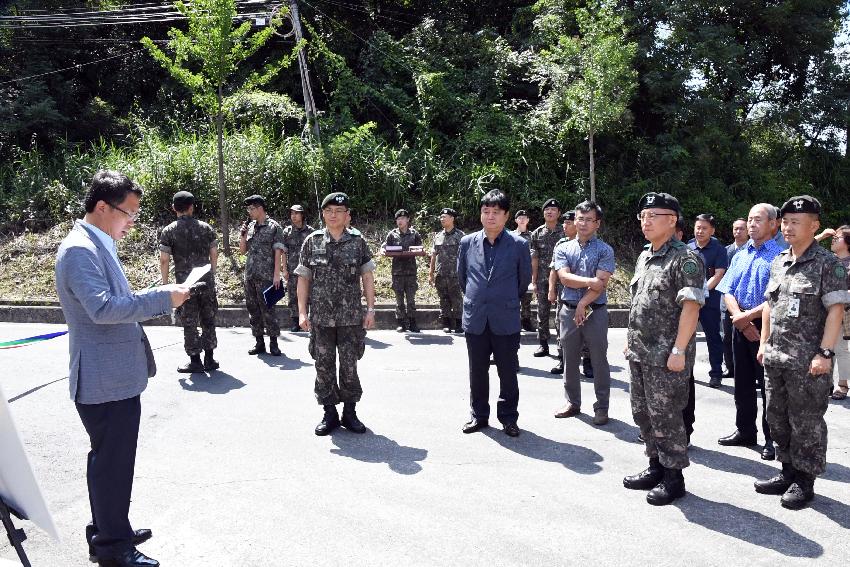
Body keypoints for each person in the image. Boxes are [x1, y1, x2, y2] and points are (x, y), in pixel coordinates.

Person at [55, 170, 190, 567]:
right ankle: (113, 547)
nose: (133, 221)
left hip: (114, 377)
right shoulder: (80, 250)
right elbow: (103, 309)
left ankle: (110, 528)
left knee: (111, 461)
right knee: (111, 464)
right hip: (103, 381)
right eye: (128, 213)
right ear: (102, 207)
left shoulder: (99, 244)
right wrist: (163, 297)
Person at [754, 195, 849, 509]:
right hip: (777, 357)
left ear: (815, 226)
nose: (788, 227)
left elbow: (835, 312)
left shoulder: (828, 264)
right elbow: (770, 305)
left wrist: (824, 353)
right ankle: (787, 471)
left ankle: (805, 481)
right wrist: (764, 343)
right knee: (776, 418)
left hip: (808, 362)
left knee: (806, 422)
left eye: (796, 222)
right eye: (785, 222)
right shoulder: (779, 260)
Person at [623, 192, 704, 506]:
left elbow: (691, 307)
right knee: (642, 413)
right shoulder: (645, 255)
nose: (646, 221)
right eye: (643, 216)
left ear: (671, 220)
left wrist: (679, 351)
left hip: (667, 355)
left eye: (653, 215)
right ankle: (655, 465)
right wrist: (631, 343)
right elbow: (640, 305)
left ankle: (674, 478)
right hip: (640, 352)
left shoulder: (685, 258)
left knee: (667, 416)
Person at [296, 192, 377, 436]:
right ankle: (329, 413)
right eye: (329, 210)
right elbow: (303, 279)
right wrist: (302, 312)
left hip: (351, 317)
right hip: (320, 318)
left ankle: (350, 412)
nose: (334, 215)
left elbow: (367, 277)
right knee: (323, 365)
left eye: (339, 211)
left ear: (347, 215)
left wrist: (371, 309)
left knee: (350, 365)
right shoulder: (312, 241)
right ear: (323, 214)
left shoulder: (358, 241)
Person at [458, 189, 532, 437]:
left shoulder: (519, 244)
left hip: (505, 317)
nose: (490, 217)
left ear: (506, 215)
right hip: (476, 318)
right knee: (476, 371)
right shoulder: (467, 242)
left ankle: (509, 417)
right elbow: (463, 278)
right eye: (486, 211)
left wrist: (502, 298)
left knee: (507, 372)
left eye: (496, 212)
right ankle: (479, 415)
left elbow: (524, 282)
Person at [715, 203, 784, 460]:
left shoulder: (780, 256)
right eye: (750, 219)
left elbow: (777, 298)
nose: (752, 224)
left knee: (768, 388)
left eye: (758, 220)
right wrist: (740, 320)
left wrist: (749, 318)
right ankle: (745, 430)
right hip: (740, 325)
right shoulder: (740, 254)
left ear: (773, 224)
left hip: (765, 328)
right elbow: (727, 289)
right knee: (741, 383)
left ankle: (771, 439)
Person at [552, 201, 615, 425]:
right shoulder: (563, 248)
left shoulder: (605, 250)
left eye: (589, 219)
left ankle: (602, 407)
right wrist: (590, 281)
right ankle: (572, 402)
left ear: (597, 223)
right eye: (580, 218)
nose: (584, 223)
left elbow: (602, 284)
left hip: (594, 312)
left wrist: (583, 303)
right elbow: (564, 277)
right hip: (568, 311)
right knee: (569, 359)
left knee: (598, 360)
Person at [159, 191, 219, 373]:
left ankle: (195, 360)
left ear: (173, 208)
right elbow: (214, 252)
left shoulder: (168, 231)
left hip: (184, 285)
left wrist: (165, 283)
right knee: (208, 318)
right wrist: (212, 273)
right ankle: (210, 359)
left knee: (190, 320)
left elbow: (164, 260)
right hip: (205, 281)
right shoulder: (206, 228)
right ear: (192, 207)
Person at [239, 195, 285, 356]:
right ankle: (259, 342)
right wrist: (243, 235)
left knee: (269, 309)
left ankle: (274, 342)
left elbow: (278, 251)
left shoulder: (274, 227)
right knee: (253, 309)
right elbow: (243, 251)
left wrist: (277, 275)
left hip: (266, 275)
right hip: (250, 274)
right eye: (248, 209)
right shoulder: (250, 226)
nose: (249, 212)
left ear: (260, 208)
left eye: (251, 208)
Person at [688, 214, 728, 387]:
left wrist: (702, 292)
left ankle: (716, 373)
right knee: (686, 336)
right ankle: (686, 372)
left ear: (712, 230)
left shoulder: (719, 249)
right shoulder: (688, 247)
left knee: (713, 337)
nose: (700, 231)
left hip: (709, 301)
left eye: (704, 228)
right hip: (689, 301)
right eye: (698, 227)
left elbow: (719, 274)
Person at [530, 198, 564, 357]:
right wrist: (534, 280)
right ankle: (543, 345)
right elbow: (534, 258)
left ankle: (562, 347)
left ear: (559, 213)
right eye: (547, 210)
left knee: (562, 315)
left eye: (553, 210)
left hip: (563, 280)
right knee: (542, 313)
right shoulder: (537, 233)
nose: (549, 212)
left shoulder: (565, 231)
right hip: (543, 279)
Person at [381, 209, 423, 332]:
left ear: (408, 220)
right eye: (398, 219)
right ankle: (401, 323)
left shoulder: (414, 234)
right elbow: (384, 247)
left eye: (402, 219)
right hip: (397, 272)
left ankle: (412, 322)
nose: (400, 221)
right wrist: (383, 250)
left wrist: (419, 251)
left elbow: (420, 248)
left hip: (411, 271)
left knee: (411, 299)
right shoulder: (392, 234)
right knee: (399, 299)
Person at [548, 210, 577, 374]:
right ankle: (562, 360)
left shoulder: (589, 244)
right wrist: (551, 290)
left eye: (569, 223)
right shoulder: (561, 244)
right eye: (564, 223)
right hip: (564, 294)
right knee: (561, 327)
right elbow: (553, 269)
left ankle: (587, 362)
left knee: (585, 326)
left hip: (584, 295)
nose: (565, 226)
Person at [429, 207, 465, 333]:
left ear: (452, 218)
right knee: (443, 299)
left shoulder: (461, 236)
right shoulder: (438, 236)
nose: (442, 219)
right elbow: (433, 256)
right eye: (441, 217)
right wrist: (431, 274)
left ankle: (459, 323)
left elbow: (466, 256)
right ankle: (446, 323)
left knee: (457, 299)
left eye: (445, 217)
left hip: (456, 275)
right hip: (441, 274)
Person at [824, 225, 850, 400]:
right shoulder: (827, 260)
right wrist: (821, 236)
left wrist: (839, 298)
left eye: (837, 237)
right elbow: (802, 249)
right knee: (825, 349)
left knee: (841, 350)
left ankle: (843, 385)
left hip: (843, 312)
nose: (833, 239)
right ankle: (826, 384)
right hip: (823, 312)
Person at [281, 204, 315, 332]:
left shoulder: (310, 231)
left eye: (296, 213)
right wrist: (284, 269)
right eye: (292, 214)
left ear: (302, 215)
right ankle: (295, 320)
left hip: (308, 269)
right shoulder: (287, 232)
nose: (293, 216)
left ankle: (310, 319)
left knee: (310, 294)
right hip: (293, 269)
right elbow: (284, 251)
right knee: (293, 295)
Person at [722, 218, 749, 379]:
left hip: (745, 302)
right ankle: (729, 367)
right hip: (727, 299)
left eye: (741, 229)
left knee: (745, 338)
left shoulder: (753, 250)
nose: (738, 232)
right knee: (725, 336)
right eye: (735, 229)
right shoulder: (726, 251)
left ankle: (746, 371)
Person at [512, 210, 535, 331]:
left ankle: (526, 321)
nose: (522, 219)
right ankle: (514, 321)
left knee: (527, 298)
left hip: (527, 270)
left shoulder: (532, 236)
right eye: (519, 217)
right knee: (513, 297)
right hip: (513, 271)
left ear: (528, 220)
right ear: (516, 220)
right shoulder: (511, 236)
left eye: (524, 217)